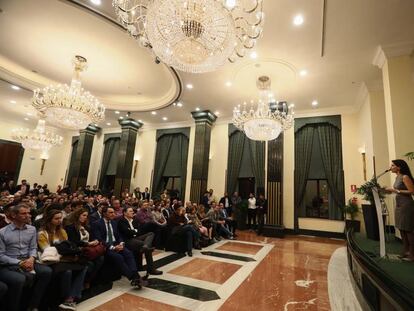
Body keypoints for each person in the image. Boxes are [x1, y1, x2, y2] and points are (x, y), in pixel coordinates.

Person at [0, 204, 52, 311]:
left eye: (28, 213)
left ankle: (33, 305)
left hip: (28, 260)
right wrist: (19, 263)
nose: (28, 215)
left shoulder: (32, 229)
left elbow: (33, 248)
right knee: (19, 279)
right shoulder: (2, 232)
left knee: (46, 271)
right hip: (9, 264)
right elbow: (1, 255)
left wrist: (32, 258)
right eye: (24, 213)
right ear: (14, 215)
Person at [38, 209, 88, 310]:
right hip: (50, 260)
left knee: (84, 266)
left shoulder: (62, 231)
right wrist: (63, 250)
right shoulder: (42, 233)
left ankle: (70, 298)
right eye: (56, 218)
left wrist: (63, 250)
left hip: (63, 258)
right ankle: (66, 299)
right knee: (67, 272)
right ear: (49, 219)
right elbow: (47, 250)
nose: (60, 220)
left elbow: (67, 247)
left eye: (60, 218)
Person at [91, 206, 143, 288]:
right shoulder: (97, 224)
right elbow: (99, 239)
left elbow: (118, 236)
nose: (113, 214)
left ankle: (135, 275)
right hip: (106, 247)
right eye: (110, 212)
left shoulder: (114, 223)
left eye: (113, 212)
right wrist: (113, 247)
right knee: (118, 257)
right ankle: (133, 277)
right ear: (104, 213)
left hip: (116, 244)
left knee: (128, 253)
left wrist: (121, 243)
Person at [118, 207, 162, 275]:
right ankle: (151, 269)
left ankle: (145, 246)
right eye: (130, 211)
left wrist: (133, 231)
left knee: (151, 233)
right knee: (148, 248)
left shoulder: (135, 220)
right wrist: (134, 231)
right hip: (128, 240)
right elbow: (127, 232)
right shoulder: (121, 221)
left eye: (132, 211)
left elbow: (139, 231)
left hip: (136, 237)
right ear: (124, 213)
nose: (132, 212)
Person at [65, 208, 104, 284]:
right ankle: (84, 282)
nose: (85, 217)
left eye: (86, 215)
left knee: (101, 258)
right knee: (90, 265)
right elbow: (73, 241)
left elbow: (91, 237)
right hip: (78, 250)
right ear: (77, 216)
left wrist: (95, 241)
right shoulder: (70, 227)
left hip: (88, 249)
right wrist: (87, 244)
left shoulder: (86, 226)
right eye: (83, 215)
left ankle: (89, 281)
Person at [385, 160, 414, 261]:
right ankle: (405, 250)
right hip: (399, 205)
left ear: (399, 167)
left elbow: (412, 191)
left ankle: (412, 253)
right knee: (401, 228)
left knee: (408, 229)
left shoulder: (405, 177)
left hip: (406, 205)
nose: (391, 167)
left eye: (393, 165)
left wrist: (396, 190)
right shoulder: (397, 177)